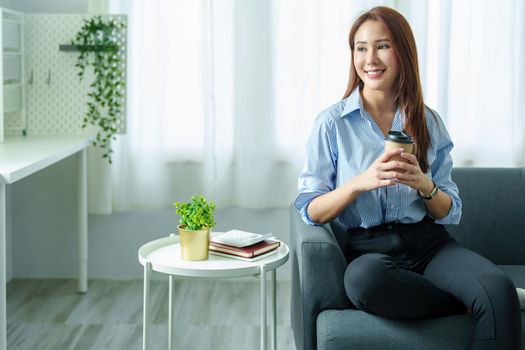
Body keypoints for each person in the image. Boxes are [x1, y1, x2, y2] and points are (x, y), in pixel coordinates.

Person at [294, 6, 520, 350]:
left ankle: (487, 297)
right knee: (364, 282)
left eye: (382, 46)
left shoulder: (428, 121)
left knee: (498, 288)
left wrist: (423, 184)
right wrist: (359, 182)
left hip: (429, 245)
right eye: (361, 47)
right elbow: (311, 209)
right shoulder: (332, 123)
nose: (371, 58)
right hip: (369, 251)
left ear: (403, 52)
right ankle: (473, 301)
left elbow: (449, 210)